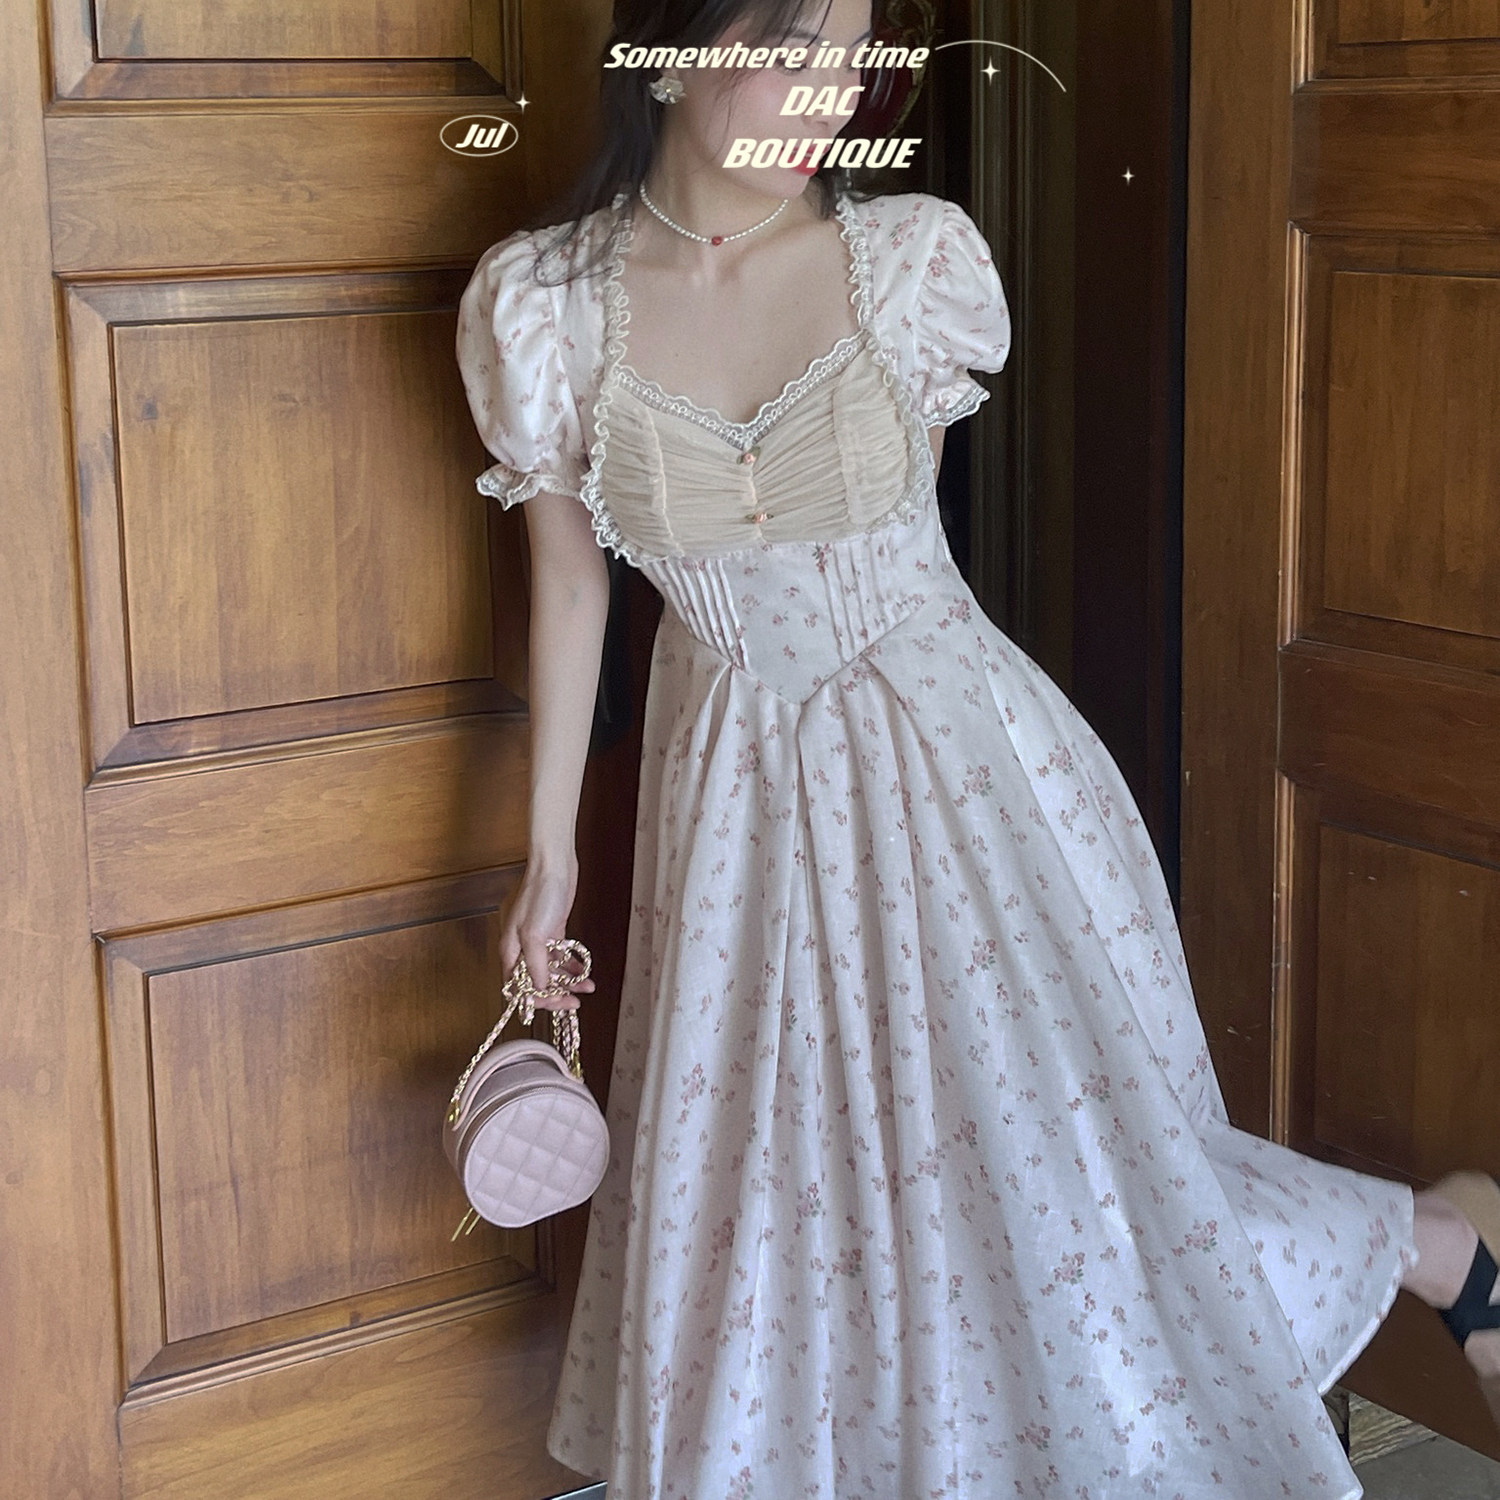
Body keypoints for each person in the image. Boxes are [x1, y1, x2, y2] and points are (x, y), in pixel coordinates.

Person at [454, 0, 1500, 1494]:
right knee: (776, 1192)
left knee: (1060, 1167)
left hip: (959, 773)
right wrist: (549, 855)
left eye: (850, 57)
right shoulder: (542, 305)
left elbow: (907, 563)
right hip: (730, 804)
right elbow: (572, 590)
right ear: (674, 48)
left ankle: (1438, 1242)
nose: (830, 96)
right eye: (792, 52)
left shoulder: (910, 261)